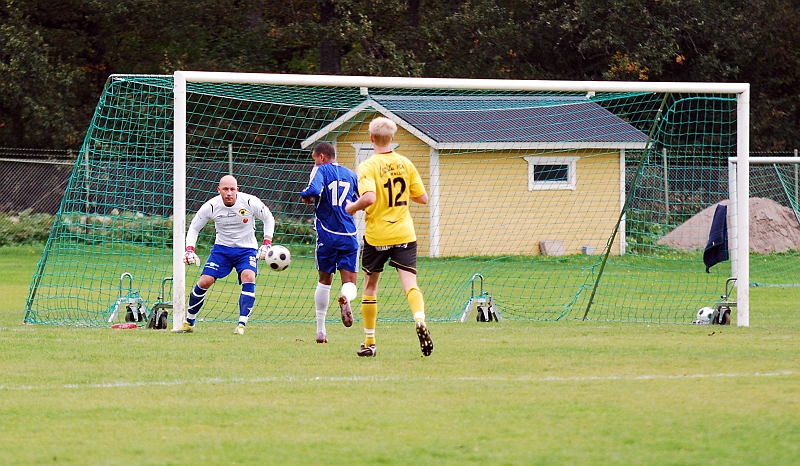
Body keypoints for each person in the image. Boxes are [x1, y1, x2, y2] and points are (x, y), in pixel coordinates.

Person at [345, 117, 433, 357]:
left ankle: (370, 342)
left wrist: (352, 207)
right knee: (410, 284)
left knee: (370, 285)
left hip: (378, 235)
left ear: (371, 138)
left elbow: (369, 198)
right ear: (392, 138)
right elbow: (423, 198)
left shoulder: (367, 166)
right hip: (404, 232)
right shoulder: (405, 163)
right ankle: (419, 319)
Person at [182, 175, 275, 335]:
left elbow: (268, 218)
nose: (229, 193)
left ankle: (241, 325)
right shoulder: (211, 206)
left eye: (232, 189)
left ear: (237, 189)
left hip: (246, 250)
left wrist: (267, 243)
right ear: (219, 190)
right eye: (225, 189)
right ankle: (189, 322)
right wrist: (189, 249)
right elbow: (194, 227)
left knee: (248, 277)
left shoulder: (249, 202)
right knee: (204, 281)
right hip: (222, 250)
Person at [300, 142, 360, 344]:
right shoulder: (351, 174)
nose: (314, 163)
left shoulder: (320, 170)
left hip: (326, 234)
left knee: (324, 281)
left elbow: (313, 189)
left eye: (315, 159)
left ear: (322, 157)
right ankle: (346, 298)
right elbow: (361, 199)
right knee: (350, 283)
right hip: (349, 234)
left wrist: (305, 196)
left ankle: (321, 331)